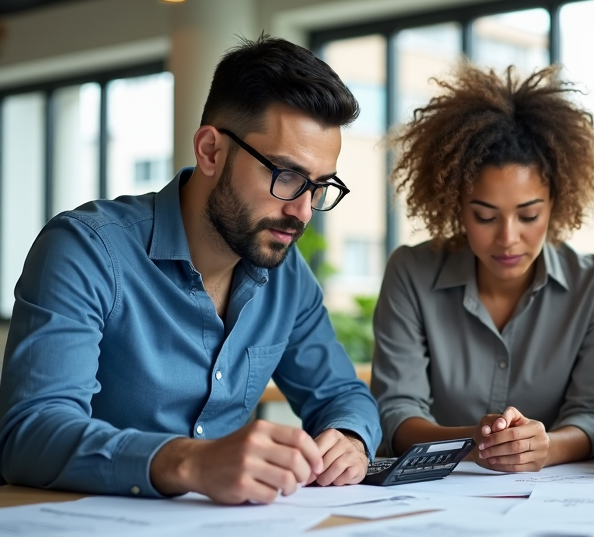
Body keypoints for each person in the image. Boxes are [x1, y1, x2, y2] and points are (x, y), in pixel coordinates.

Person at [0, 35, 382, 503]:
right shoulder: (85, 250)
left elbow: (343, 393)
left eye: (320, 186)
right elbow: (30, 434)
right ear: (210, 151)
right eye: (286, 176)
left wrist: (349, 438)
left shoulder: (286, 272)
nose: (302, 211)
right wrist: (190, 462)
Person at [372, 63, 594, 471]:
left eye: (528, 216)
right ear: (456, 206)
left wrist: (547, 447)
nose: (508, 238)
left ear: (555, 206)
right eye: (485, 217)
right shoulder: (411, 272)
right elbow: (396, 414)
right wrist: (473, 441)